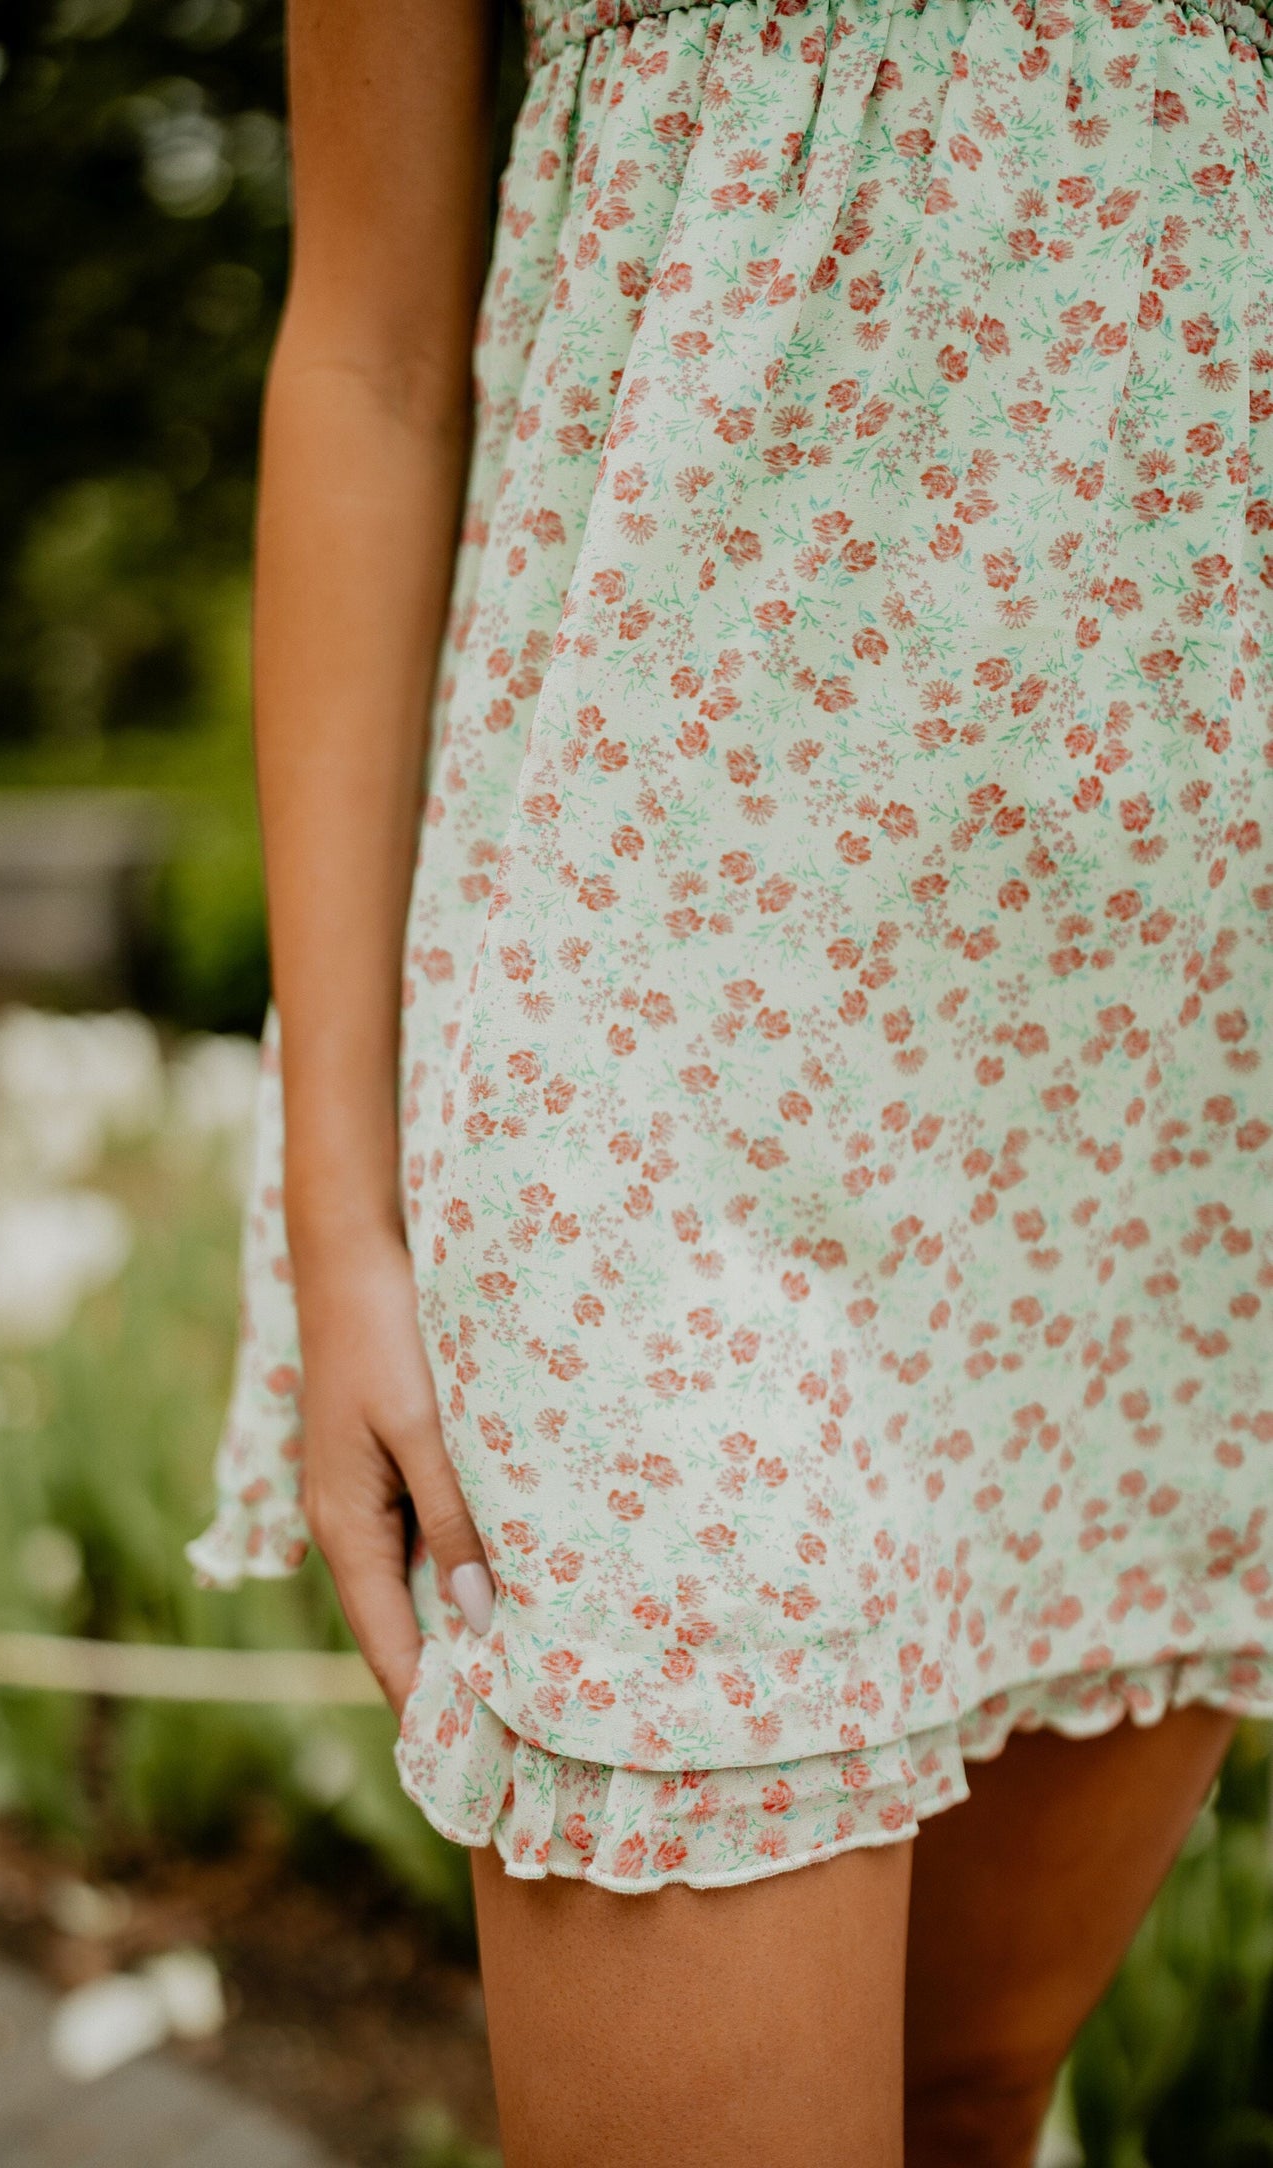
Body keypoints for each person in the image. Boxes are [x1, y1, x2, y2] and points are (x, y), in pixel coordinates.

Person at [190, 0, 1273, 2157]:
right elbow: (373, 352)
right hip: (651, 1020)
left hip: (1172, 1073)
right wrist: (340, 1218)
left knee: (968, 2100)